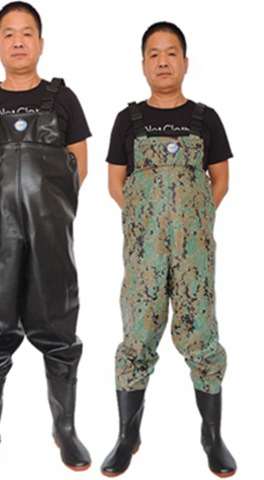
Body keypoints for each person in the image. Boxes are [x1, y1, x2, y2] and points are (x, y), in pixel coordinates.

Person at [0, 2, 91, 476]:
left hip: (52, 236)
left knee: (59, 330)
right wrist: (3, 208)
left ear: (40, 43)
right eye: (9, 33)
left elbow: (78, 166)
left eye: (27, 32)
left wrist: (45, 206)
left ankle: (65, 429)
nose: (18, 41)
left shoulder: (63, 99)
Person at [101, 22, 237, 478]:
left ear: (185, 62)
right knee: (137, 336)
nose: (163, 61)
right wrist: (149, 220)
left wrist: (190, 220)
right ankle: (127, 435)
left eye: (171, 53)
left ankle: (212, 436)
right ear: (143, 64)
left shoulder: (205, 118)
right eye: (154, 54)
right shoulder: (128, 120)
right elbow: (116, 184)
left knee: (202, 334)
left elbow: (220, 180)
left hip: (195, 252)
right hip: (144, 253)